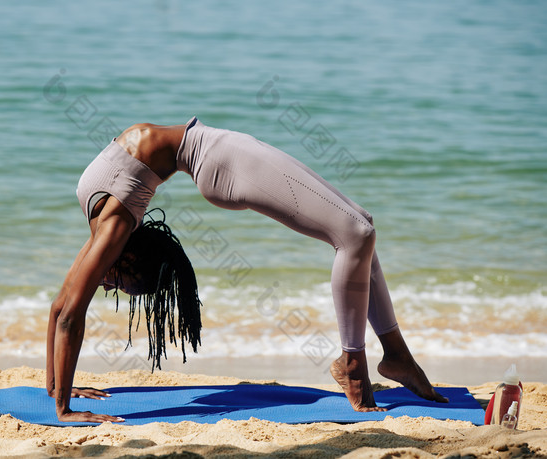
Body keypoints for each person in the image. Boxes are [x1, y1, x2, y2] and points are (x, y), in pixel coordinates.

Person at [46, 116, 448, 423]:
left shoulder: (111, 226)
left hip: (220, 159)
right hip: (216, 153)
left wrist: (59, 402)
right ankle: (368, 360)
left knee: (360, 226)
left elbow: (67, 314)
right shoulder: (109, 218)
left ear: (128, 258)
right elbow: (63, 308)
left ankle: (379, 359)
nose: (108, 284)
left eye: (120, 285)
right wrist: (59, 396)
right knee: (356, 233)